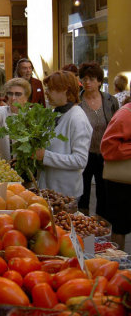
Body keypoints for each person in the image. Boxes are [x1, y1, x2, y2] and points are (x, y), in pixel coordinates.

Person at [35, 71, 92, 198]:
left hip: (66, 194)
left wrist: (45, 156)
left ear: (65, 90)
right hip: (49, 189)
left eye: (51, 89)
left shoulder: (77, 118)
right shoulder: (55, 112)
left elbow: (80, 160)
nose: (46, 93)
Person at [77, 61, 119, 218]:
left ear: (100, 81)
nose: (87, 82)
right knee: (83, 192)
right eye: (84, 79)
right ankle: (83, 224)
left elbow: (117, 125)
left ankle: (101, 226)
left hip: (105, 154)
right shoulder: (77, 102)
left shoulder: (110, 101)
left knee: (104, 192)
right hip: (84, 153)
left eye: (92, 79)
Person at [101, 98, 131, 250]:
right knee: (120, 226)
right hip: (122, 183)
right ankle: (118, 265)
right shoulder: (126, 114)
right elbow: (108, 148)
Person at [0, 78, 30, 161]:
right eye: (10, 94)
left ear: (26, 98)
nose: (13, 98)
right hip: (2, 169)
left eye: (18, 94)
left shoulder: (32, 115)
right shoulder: (1, 112)